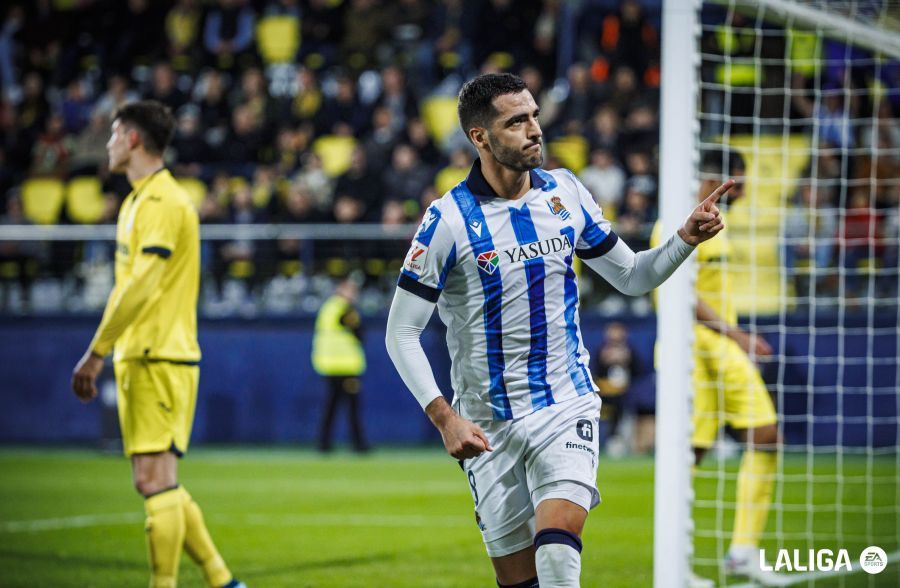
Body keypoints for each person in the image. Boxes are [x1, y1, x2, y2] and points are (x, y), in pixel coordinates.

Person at [385, 73, 731, 588]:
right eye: (516, 122)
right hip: (487, 423)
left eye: (534, 116)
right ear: (480, 137)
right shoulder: (448, 221)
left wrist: (684, 239)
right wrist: (445, 419)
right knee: (518, 579)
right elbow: (400, 333)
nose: (534, 130)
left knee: (558, 544)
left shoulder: (565, 192)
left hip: (565, 402)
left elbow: (632, 277)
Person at [70, 100, 244, 588]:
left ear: (132, 139)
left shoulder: (164, 201)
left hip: (159, 356)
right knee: (157, 480)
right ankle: (223, 581)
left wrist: (96, 351)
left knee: (154, 480)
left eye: (113, 134)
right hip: (145, 356)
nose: (107, 144)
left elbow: (141, 284)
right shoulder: (137, 201)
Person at [651, 149, 780, 587]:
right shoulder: (677, 221)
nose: (742, 191)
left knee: (761, 435)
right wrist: (736, 335)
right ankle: (677, 564)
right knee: (693, 453)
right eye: (738, 182)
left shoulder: (717, 223)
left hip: (717, 349)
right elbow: (677, 293)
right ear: (718, 179)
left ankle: (741, 552)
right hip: (695, 347)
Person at [312, 276, 369, 453]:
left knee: (331, 406)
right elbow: (359, 333)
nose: (354, 294)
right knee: (352, 408)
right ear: (341, 290)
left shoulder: (328, 308)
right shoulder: (345, 309)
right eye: (351, 290)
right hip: (345, 366)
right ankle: (358, 444)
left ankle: (324, 443)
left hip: (329, 365)